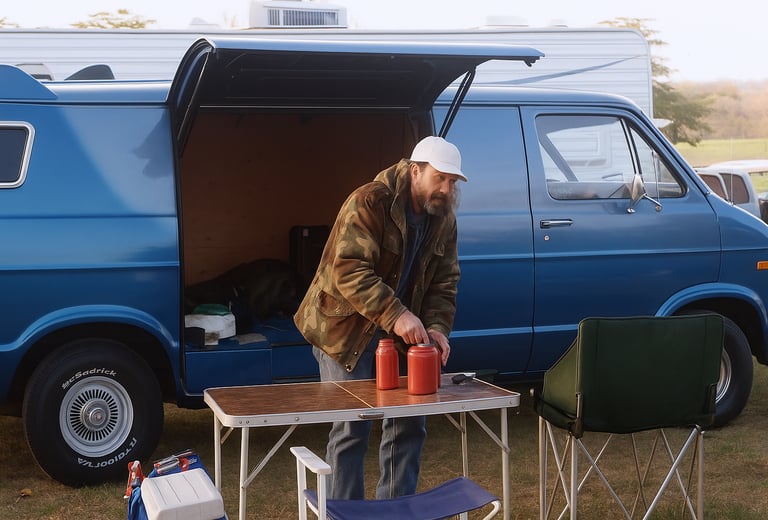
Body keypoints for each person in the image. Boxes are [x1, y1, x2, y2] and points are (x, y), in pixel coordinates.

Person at [294, 135, 466, 500]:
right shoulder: (370, 200)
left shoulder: (443, 219)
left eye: (452, 182)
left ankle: (396, 510)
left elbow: (445, 281)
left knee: (410, 423)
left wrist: (436, 328)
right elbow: (349, 270)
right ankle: (345, 512)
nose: (446, 188)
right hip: (344, 328)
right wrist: (397, 314)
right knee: (351, 428)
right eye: (440, 178)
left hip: (403, 333)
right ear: (416, 171)